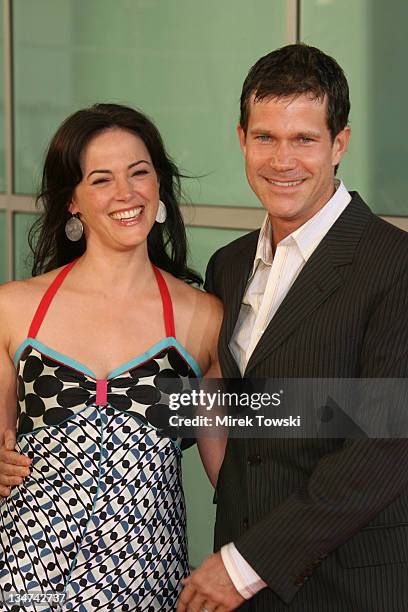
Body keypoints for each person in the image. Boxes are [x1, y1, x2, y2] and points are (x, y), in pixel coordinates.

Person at [178, 44, 408, 611]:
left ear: (340, 143)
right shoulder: (228, 266)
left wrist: (244, 564)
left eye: (304, 139)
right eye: (265, 138)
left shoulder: (394, 265)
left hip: (350, 586)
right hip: (245, 588)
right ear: (241, 139)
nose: (282, 160)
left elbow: (384, 446)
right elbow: (226, 405)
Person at [0, 103, 223, 611]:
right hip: (26, 582)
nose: (126, 194)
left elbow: (234, 481)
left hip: (149, 588)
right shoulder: (13, 308)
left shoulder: (203, 319)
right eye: (101, 180)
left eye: (139, 173)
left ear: (159, 185)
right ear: (72, 202)